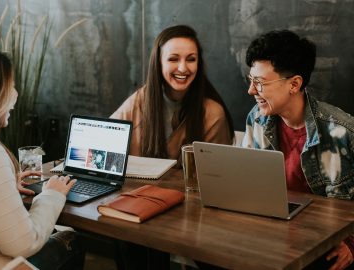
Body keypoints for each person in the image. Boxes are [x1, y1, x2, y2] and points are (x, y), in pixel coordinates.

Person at [0, 43, 84, 270]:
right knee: (70, 239)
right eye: (11, 86)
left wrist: (2, 186)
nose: (15, 94)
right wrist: (51, 195)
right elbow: (23, 244)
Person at [242, 30, 354, 270]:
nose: (251, 90)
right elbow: (247, 185)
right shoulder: (257, 119)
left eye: (259, 82)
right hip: (273, 234)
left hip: (323, 242)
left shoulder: (341, 131)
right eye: (250, 80)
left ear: (294, 84)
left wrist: (351, 244)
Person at [111, 25, 234, 164]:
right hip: (138, 186)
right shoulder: (138, 101)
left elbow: (216, 174)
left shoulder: (213, 114)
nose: (183, 68)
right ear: (159, 63)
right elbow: (104, 143)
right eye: (173, 59)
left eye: (191, 59)